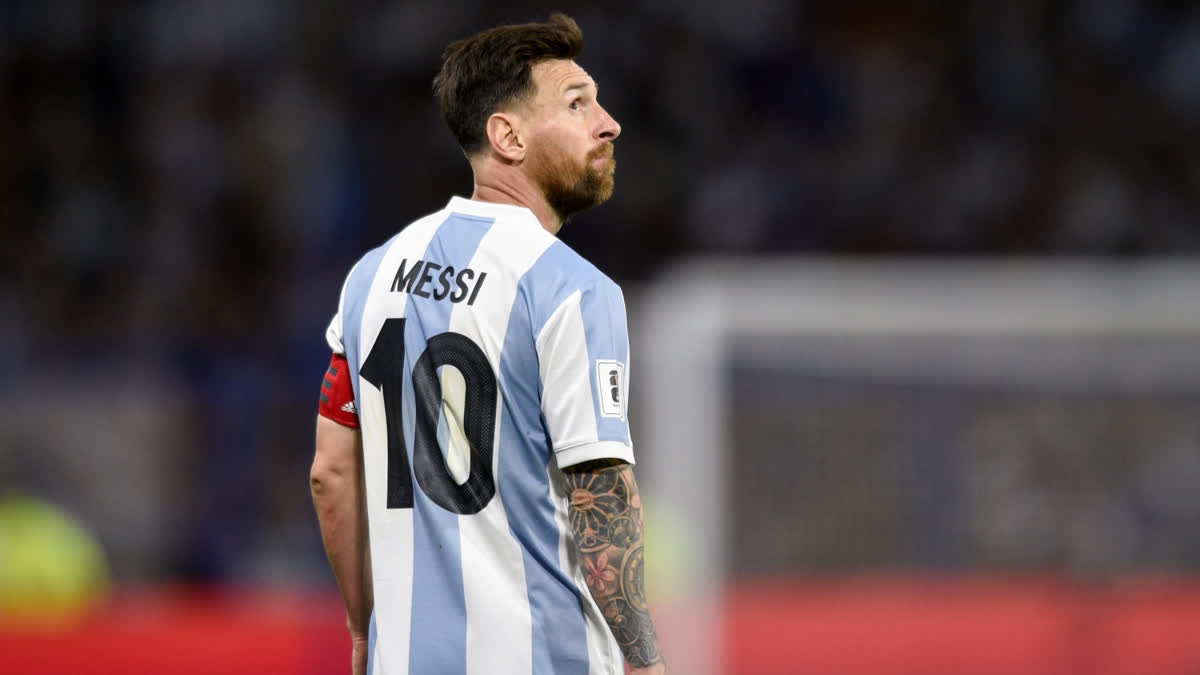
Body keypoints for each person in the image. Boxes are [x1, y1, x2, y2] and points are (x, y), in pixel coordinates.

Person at [310, 13, 667, 675]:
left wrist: (366, 631)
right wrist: (643, 661)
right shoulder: (572, 290)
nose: (609, 122)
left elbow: (330, 474)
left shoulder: (370, 276)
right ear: (507, 134)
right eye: (578, 103)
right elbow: (600, 493)